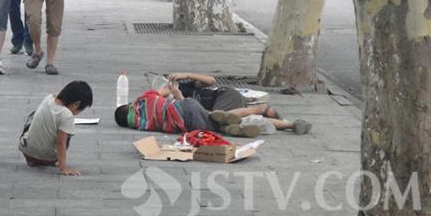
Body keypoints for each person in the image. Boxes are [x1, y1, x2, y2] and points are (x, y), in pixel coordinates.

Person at [115, 81, 312, 137]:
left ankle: (286, 123)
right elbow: (165, 90)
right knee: (223, 118)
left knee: (225, 122)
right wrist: (177, 94)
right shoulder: (142, 100)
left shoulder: (142, 126)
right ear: (129, 105)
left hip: (188, 124)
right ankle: (266, 114)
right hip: (189, 107)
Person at [18, 81, 93, 176]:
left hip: (26, 151)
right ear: (76, 104)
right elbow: (61, 143)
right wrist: (64, 168)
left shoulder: (49, 98)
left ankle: (37, 158)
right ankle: (55, 161)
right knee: (66, 133)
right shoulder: (67, 115)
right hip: (45, 158)